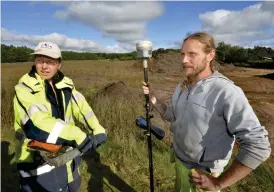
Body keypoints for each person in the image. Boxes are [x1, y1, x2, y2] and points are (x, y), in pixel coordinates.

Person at [142, 32, 271, 192]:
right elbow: (172, 115)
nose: (184, 60)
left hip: (203, 175)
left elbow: (258, 145)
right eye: (182, 54)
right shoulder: (183, 86)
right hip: (180, 162)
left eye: (192, 54)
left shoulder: (226, 91)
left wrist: (218, 183)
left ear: (210, 55)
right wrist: (153, 99)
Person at [13, 41, 107, 192]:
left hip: (68, 159)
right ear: (35, 62)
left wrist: (97, 128)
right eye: (40, 60)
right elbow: (36, 125)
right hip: (38, 164)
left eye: (50, 62)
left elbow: (82, 108)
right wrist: (78, 136)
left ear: (59, 65)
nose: (44, 66)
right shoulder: (24, 89)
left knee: (72, 186)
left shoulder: (66, 84)